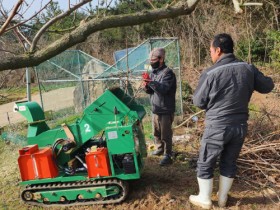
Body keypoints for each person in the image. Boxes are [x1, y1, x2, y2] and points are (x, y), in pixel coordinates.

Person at [189, 33, 274, 209]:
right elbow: (267, 86)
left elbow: (198, 101)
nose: (211, 54)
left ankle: (204, 198)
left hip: (217, 126)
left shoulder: (211, 73)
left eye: (211, 51)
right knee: (229, 161)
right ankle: (222, 198)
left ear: (218, 51)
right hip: (239, 127)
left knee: (206, 161)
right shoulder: (248, 68)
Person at [143, 47, 177, 166]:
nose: (151, 62)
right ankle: (160, 148)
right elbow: (150, 92)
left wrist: (151, 82)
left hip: (166, 109)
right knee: (156, 132)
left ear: (161, 59)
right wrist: (146, 85)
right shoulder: (154, 73)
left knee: (166, 134)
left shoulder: (168, 73)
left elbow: (164, 89)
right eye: (150, 60)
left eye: (154, 60)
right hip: (156, 108)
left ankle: (168, 154)